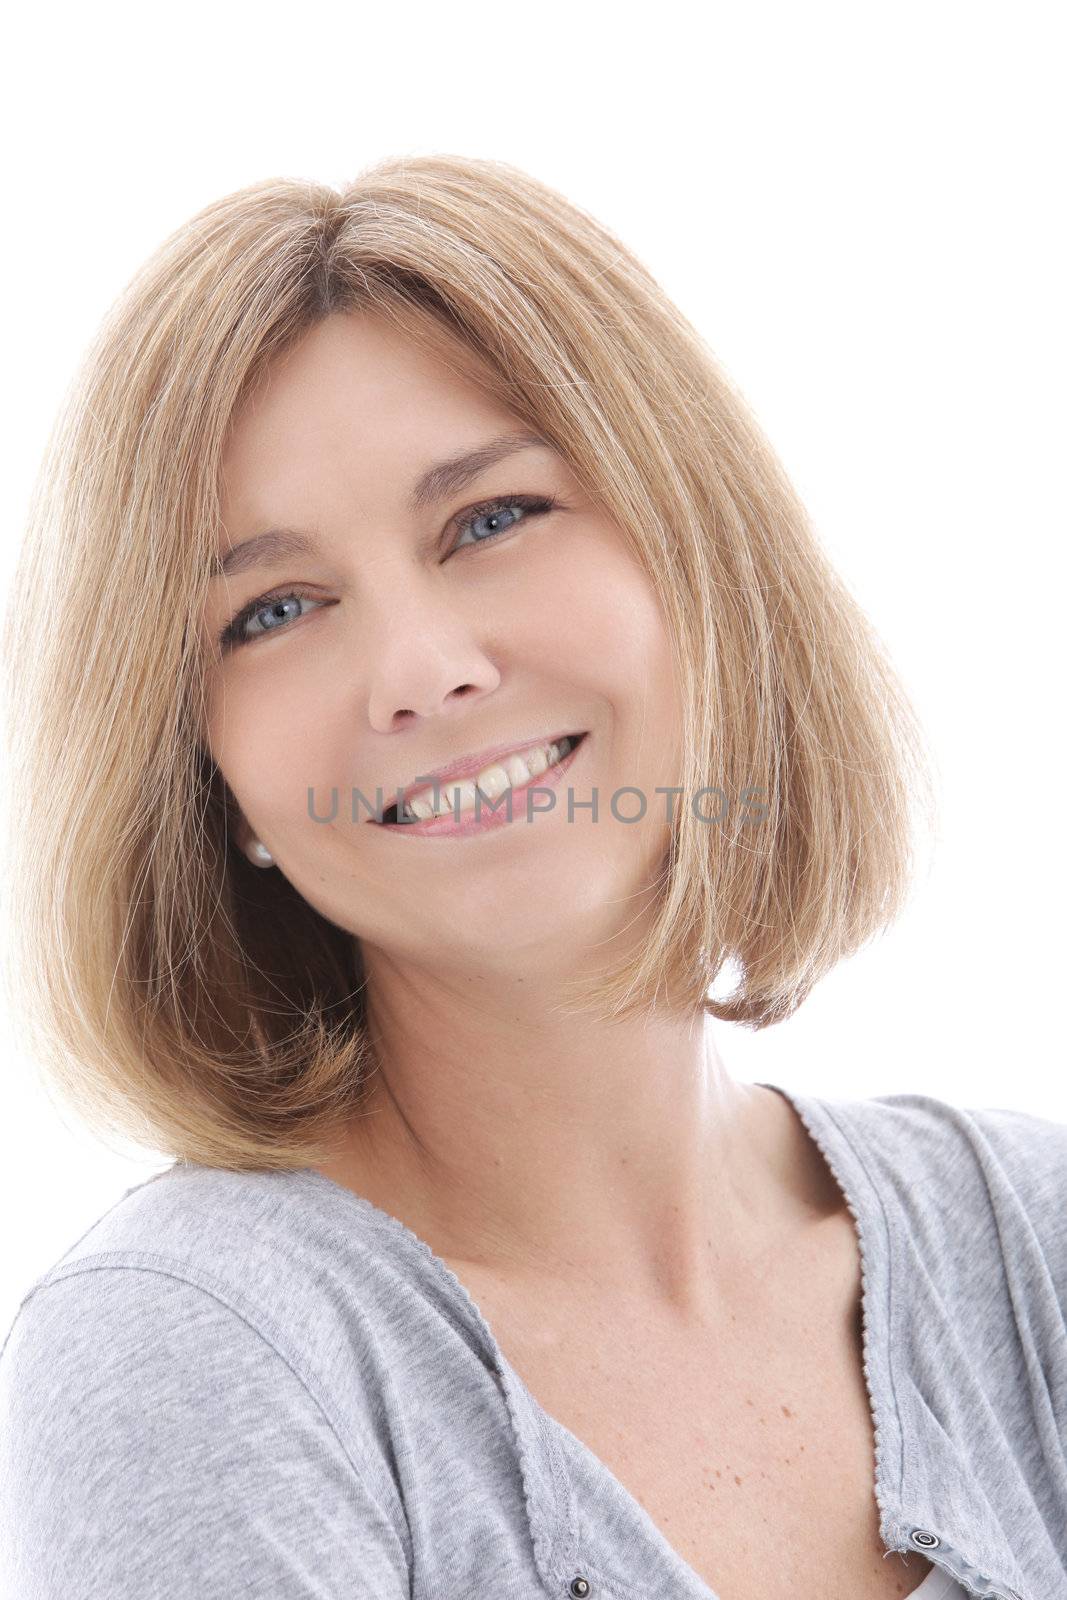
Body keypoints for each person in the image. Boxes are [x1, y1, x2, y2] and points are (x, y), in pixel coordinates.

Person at [0, 154, 1062, 1600]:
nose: (424, 672)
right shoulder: (199, 1348)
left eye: (491, 519)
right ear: (209, 781)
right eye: (277, 609)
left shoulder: (1034, 1246)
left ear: (699, 559)